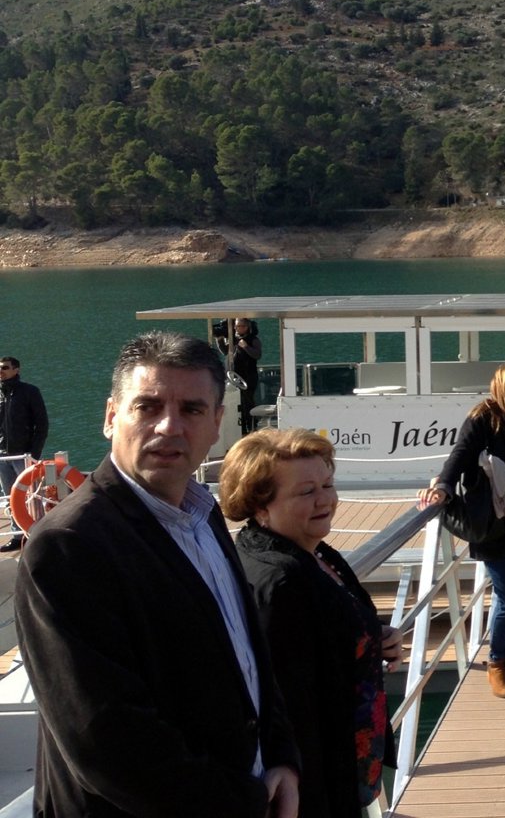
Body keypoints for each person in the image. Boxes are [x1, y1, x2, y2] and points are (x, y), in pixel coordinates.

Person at [14, 331, 300, 818]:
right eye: (147, 406)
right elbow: (107, 740)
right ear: (110, 417)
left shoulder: (205, 515)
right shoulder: (68, 547)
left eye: (191, 410)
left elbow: (246, 658)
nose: (169, 427)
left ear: (216, 424)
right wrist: (246, 803)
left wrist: (282, 759)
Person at [223, 428, 402, 818]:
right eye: (306, 492)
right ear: (260, 505)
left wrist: (374, 638)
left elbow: (329, 632)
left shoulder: (315, 550)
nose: (325, 500)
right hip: (320, 781)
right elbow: (287, 708)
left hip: (348, 761)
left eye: (328, 484)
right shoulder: (279, 583)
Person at [417, 363, 505, 698]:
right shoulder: (485, 417)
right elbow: (460, 455)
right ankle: (496, 662)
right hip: (494, 525)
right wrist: (444, 486)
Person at [0, 355, 50, 549]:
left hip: (24, 454)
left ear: (16, 370)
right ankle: (17, 536)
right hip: (3, 455)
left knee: (32, 495)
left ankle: (37, 534)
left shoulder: (29, 392)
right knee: (10, 495)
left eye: (5, 367)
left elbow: (42, 424)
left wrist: (34, 453)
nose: (1, 371)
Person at [217, 317, 263, 435]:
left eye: (242, 326)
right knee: (236, 403)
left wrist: (246, 346)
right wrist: (220, 340)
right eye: (237, 326)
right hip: (232, 376)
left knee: (247, 402)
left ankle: (251, 427)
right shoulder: (234, 339)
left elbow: (257, 355)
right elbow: (226, 351)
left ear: (248, 327)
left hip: (248, 376)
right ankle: (239, 428)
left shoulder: (253, 340)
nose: (240, 328)